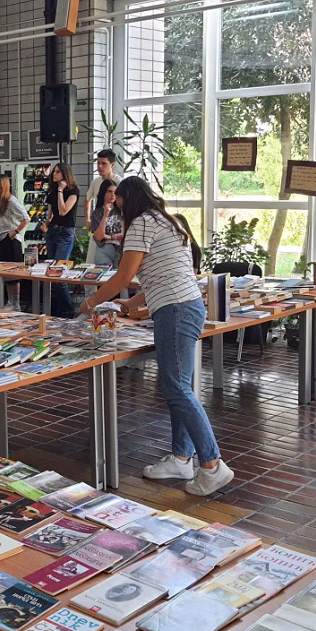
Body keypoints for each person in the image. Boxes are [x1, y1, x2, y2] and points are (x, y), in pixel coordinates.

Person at [78, 176, 234, 497]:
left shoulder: (141, 225)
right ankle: (180, 457)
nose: (117, 210)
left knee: (177, 388)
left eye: (119, 203)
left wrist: (93, 301)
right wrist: (130, 302)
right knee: (179, 387)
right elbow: (163, 274)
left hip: (175, 311)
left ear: (129, 199)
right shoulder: (167, 221)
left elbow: (124, 274)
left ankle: (212, 464)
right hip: (186, 305)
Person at [41, 163, 79, 317]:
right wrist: (45, 224)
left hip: (65, 232)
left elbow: (63, 211)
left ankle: (68, 310)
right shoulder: (52, 191)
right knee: (51, 271)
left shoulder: (72, 191)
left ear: (65, 173)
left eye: (57, 172)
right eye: (53, 172)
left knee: (59, 271)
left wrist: (60, 190)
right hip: (53, 231)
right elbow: (51, 214)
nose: (54, 174)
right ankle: (56, 308)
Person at [0, 174, 29, 311]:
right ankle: (11, 301)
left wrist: (14, 233)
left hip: (11, 240)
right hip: (0, 238)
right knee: (6, 273)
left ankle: (16, 302)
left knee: (13, 273)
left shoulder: (11, 200)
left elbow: (26, 218)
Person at [84, 149, 123, 266]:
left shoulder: (120, 182)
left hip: (116, 227)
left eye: (104, 163)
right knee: (93, 262)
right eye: (98, 163)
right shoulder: (96, 181)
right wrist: (87, 218)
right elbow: (87, 200)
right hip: (99, 222)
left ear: (112, 165)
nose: (100, 166)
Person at [90, 178, 124, 269]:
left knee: (119, 279)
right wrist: (105, 215)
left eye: (115, 192)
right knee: (103, 278)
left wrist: (109, 236)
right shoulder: (97, 213)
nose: (113, 195)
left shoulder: (122, 211)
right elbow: (99, 236)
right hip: (104, 248)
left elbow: (126, 232)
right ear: (103, 193)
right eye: (109, 191)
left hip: (121, 248)